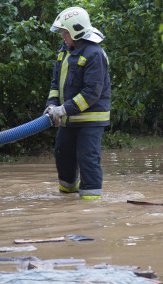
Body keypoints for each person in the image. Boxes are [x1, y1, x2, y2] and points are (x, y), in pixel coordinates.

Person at [44, 7, 111, 200]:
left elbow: (92, 92)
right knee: (62, 154)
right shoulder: (64, 51)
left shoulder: (94, 53)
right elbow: (55, 83)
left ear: (76, 30)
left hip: (90, 119)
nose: (63, 36)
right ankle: (67, 197)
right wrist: (51, 105)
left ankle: (90, 205)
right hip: (68, 118)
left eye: (65, 32)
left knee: (87, 158)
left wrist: (63, 109)